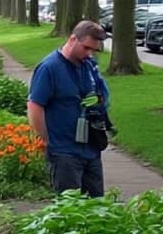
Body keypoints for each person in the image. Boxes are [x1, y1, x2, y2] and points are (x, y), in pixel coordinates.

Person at [26, 20, 112, 198]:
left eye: (94, 51)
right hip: (64, 151)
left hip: (91, 149)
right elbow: (35, 106)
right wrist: (46, 141)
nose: (89, 54)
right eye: (86, 48)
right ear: (73, 39)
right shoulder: (49, 68)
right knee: (69, 207)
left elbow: (102, 95)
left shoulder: (89, 66)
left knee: (98, 207)